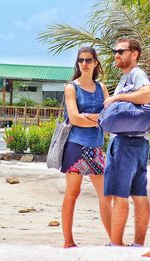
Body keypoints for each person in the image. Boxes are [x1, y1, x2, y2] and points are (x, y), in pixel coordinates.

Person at [103, 37, 150, 247]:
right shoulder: (128, 77)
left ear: (134, 54)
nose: (117, 55)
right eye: (115, 51)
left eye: (121, 51)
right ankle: (138, 244)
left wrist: (116, 99)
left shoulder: (136, 74)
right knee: (139, 194)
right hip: (140, 142)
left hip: (125, 143)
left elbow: (148, 94)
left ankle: (116, 245)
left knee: (120, 195)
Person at [60, 47, 111, 248]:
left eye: (88, 60)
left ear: (95, 63)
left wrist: (88, 118)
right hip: (76, 148)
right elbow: (73, 118)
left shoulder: (102, 88)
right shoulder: (71, 88)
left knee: (106, 194)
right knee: (73, 193)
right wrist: (97, 120)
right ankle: (68, 241)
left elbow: (108, 118)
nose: (84, 64)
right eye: (81, 60)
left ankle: (115, 240)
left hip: (96, 148)